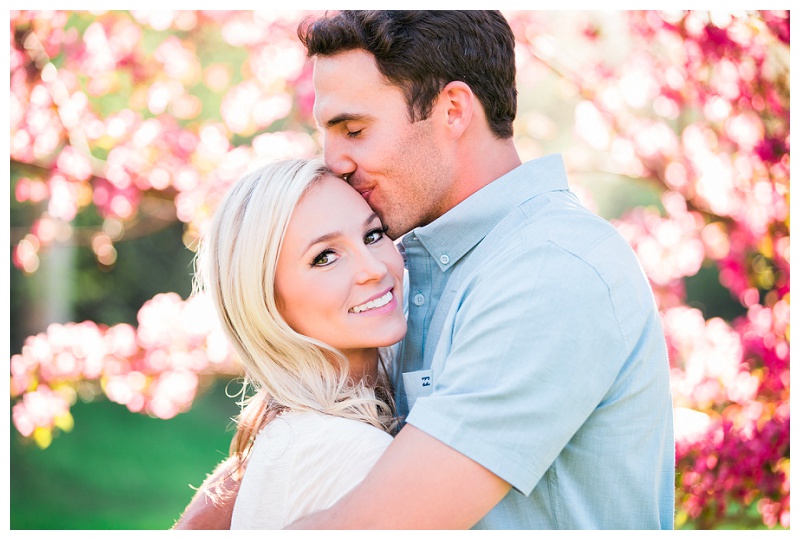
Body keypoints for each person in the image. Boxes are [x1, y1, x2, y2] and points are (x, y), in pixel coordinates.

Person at [176, 10, 675, 529]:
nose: (335, 160)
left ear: (453, 110)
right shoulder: (404, 266)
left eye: (354, 128)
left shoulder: (551, 271)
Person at [175, 157, 408, 529]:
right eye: (325, 257)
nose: (375, 269)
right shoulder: (350, 454)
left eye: (372, 235)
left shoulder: (290, 428)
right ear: (266, 301)